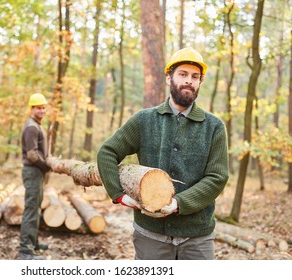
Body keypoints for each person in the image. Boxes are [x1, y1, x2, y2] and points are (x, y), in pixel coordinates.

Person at [97, 47, 229, 260]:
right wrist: (118, 195)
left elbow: (217, 177)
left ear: (200, 82)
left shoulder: (213, 126)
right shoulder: (144, 120)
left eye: (195, 77)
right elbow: (107, 152)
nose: (189, 81)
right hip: (150, 234)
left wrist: (179, 203)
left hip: (197, 237)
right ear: (169, 77)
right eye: (183, 74)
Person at [17, 93, 51, 260]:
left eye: (44, 107)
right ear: (31, 109)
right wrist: (46, 166)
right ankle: (25, 251)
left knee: (36, 208)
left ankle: (33, 243)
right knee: (31, 209)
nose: (42, 110)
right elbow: (32, 154)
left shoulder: (37, 125)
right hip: (32, 171)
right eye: (39, 108)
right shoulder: (31, 127)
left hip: (36, 172)